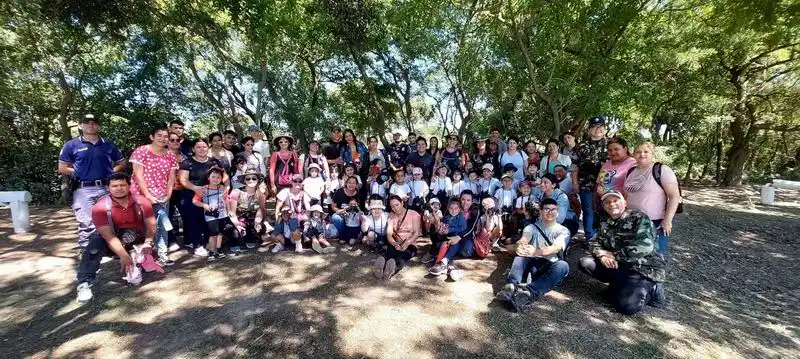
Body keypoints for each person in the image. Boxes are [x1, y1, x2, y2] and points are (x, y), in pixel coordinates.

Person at [579, 190, 666, 315]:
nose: (612, 204)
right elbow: (593, 242)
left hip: (642, 269)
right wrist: (602, 255)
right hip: (620, 265)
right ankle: (619, 286)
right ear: (604, 206)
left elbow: (644, 247)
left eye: (615, 201)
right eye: (607, 202)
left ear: (624, 203)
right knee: (585, 263)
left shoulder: (639, 218)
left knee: (626, 307)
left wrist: (614, 256)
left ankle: (652, 289)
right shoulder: (606, 223)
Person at [75, 173, 156, 303]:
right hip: (112, 240)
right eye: (114, 186)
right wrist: (123, 256)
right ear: (108, 188)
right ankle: (84, 283)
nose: (119, 188)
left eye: (122, 185)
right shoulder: (100, 207)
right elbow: (108, 236)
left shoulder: (142, 201)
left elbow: (151, 223)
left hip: (136, 237)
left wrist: (149, 242)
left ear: (129, 186)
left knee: (138, 273)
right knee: (93, 246)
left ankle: (137, 259)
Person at [58, 114, 126, 251]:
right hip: (83, 189)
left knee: (111, 219)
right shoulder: (71, 145)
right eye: (87, 123)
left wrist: (111, 172)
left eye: (94, 123)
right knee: (87, 222)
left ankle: (111, 249)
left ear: (98, 126)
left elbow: (122, 162)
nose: (91, 125)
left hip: (106, 188)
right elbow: (62, 168)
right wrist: (77, 172)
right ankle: (88, 254)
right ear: (80, 126)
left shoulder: (108, 144)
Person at [497, 198, 570, 312]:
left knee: (563, 266)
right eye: (546, 209)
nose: (550, 212)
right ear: (540, 212)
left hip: (548, 266)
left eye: (553, 209)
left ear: (558, 212)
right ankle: (511, 285)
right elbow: (524, 239)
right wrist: (520, 246)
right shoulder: (531, 227)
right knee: (521, 255)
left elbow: (556, 247)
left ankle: (528, 293)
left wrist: (535, 251)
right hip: (531, 265)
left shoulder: (563, 230)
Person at [129, 125, 178, 266]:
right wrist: (148, 195)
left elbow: (171, 177)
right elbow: (138, 176)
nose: (163, 139)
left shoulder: (170, 155)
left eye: (166, 136)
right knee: (145, 225)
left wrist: (168, 194)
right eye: (159, 136)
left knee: (162, 225)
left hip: (162, 196)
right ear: (152, 137)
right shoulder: (141, 152)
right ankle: (142, 258)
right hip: (141, 195)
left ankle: (162, 256)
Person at [623, 142, 681, 255]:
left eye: (646, 151)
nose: (642, 154)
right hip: (632, 220)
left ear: (652, 154)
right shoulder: (631, 171)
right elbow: (627, 195)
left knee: (656, 254)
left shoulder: (662, 170)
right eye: (638, 152)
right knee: (633, 252)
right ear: (633, 154)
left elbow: (674, 196)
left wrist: (667, 221)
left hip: (655, 222)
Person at [178, 138, 227, 257]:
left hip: (212, 194)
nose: (201, 149)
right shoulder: (187, 162)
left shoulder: (214, 162)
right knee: (194, 220)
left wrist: (227, 187)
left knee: (210, 220)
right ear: (193, 149)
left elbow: (224, 176)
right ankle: (197, 245)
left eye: (204, 146)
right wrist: (195, 188)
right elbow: (183, 180)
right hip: (192, 194)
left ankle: (209, 244)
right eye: (198, 147)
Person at [570, 116, 608, 240]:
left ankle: (604, 238)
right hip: (586, 184)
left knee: (605, 211)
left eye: (600, 127)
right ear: (589, 130)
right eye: (594, 127)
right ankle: (590, 238)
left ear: (605, 129)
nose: (598, 129)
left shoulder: (611, 144)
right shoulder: (581, 146)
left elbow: (608, 166)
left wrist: (601, 183)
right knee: (588, 211)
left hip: (607, 185)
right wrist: (575, 183)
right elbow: (574, 166)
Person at [427, 191, 481, 276]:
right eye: (463, 199)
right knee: (439, 241)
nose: (465, 202)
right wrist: (442, 229)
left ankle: (446, 261)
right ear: (460, 199)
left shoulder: (474, 211)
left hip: (465, 236)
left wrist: (458, 237)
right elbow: (445, 222)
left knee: (465, 251)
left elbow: (470, 228)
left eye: (468, 200)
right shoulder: (453, 206)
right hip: (451, 236)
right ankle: (445, 262)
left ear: (472, 201)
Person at [374, 195, 422, 281]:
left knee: (402, 257)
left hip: (410, 243)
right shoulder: (391, 216)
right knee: (390, 252)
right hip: (396, 241)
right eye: (392, 206)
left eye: (397, 205)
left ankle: (392, 269)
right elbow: (389, 234)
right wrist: (394, 243)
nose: (395, 208)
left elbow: (416, 233)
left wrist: (407, 243)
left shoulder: (414, 214)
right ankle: (381, 268)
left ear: (402, 203)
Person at [192, 167, 230, 261]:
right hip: (210, 214)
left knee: (220, 232)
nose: (215, 179)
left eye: (218, 177)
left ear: (221, 179)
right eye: (213, 176)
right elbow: (194, 201)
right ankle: (212, 251)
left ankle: (219, 249)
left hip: (222, 213)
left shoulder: (222, 188)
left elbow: (226, 200)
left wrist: (229, 211)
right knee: (213, 233)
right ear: (208, 177)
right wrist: (204, 205)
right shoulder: (203, 189)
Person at [227, 168, 266, 252]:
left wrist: (257, 222)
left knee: (260, 227)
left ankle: (250, 237)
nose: (251, 180)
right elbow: (231, 213)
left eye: (254, 178)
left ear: (257, 180)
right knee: (234, 233)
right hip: (236, 219)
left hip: (250, 219)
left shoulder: (260, 194)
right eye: (248, 178)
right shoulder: (236, 192)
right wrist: (237, 225)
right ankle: (234, 241)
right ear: (244, 181)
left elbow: (260, 211)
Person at [423, 199, 467, 266]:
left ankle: (446, 259)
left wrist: (450, 230)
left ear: (459, 209)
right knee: (437, 242)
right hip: (446, 237)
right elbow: (443, 225)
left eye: (456, 208)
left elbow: (462, 228)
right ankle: (433, 254)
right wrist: (441, 229)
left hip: (457, 238)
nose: (453, 210)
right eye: (451, 208)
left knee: (455, 245)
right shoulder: (447, 217)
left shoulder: (461, 217)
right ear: (448, 209)